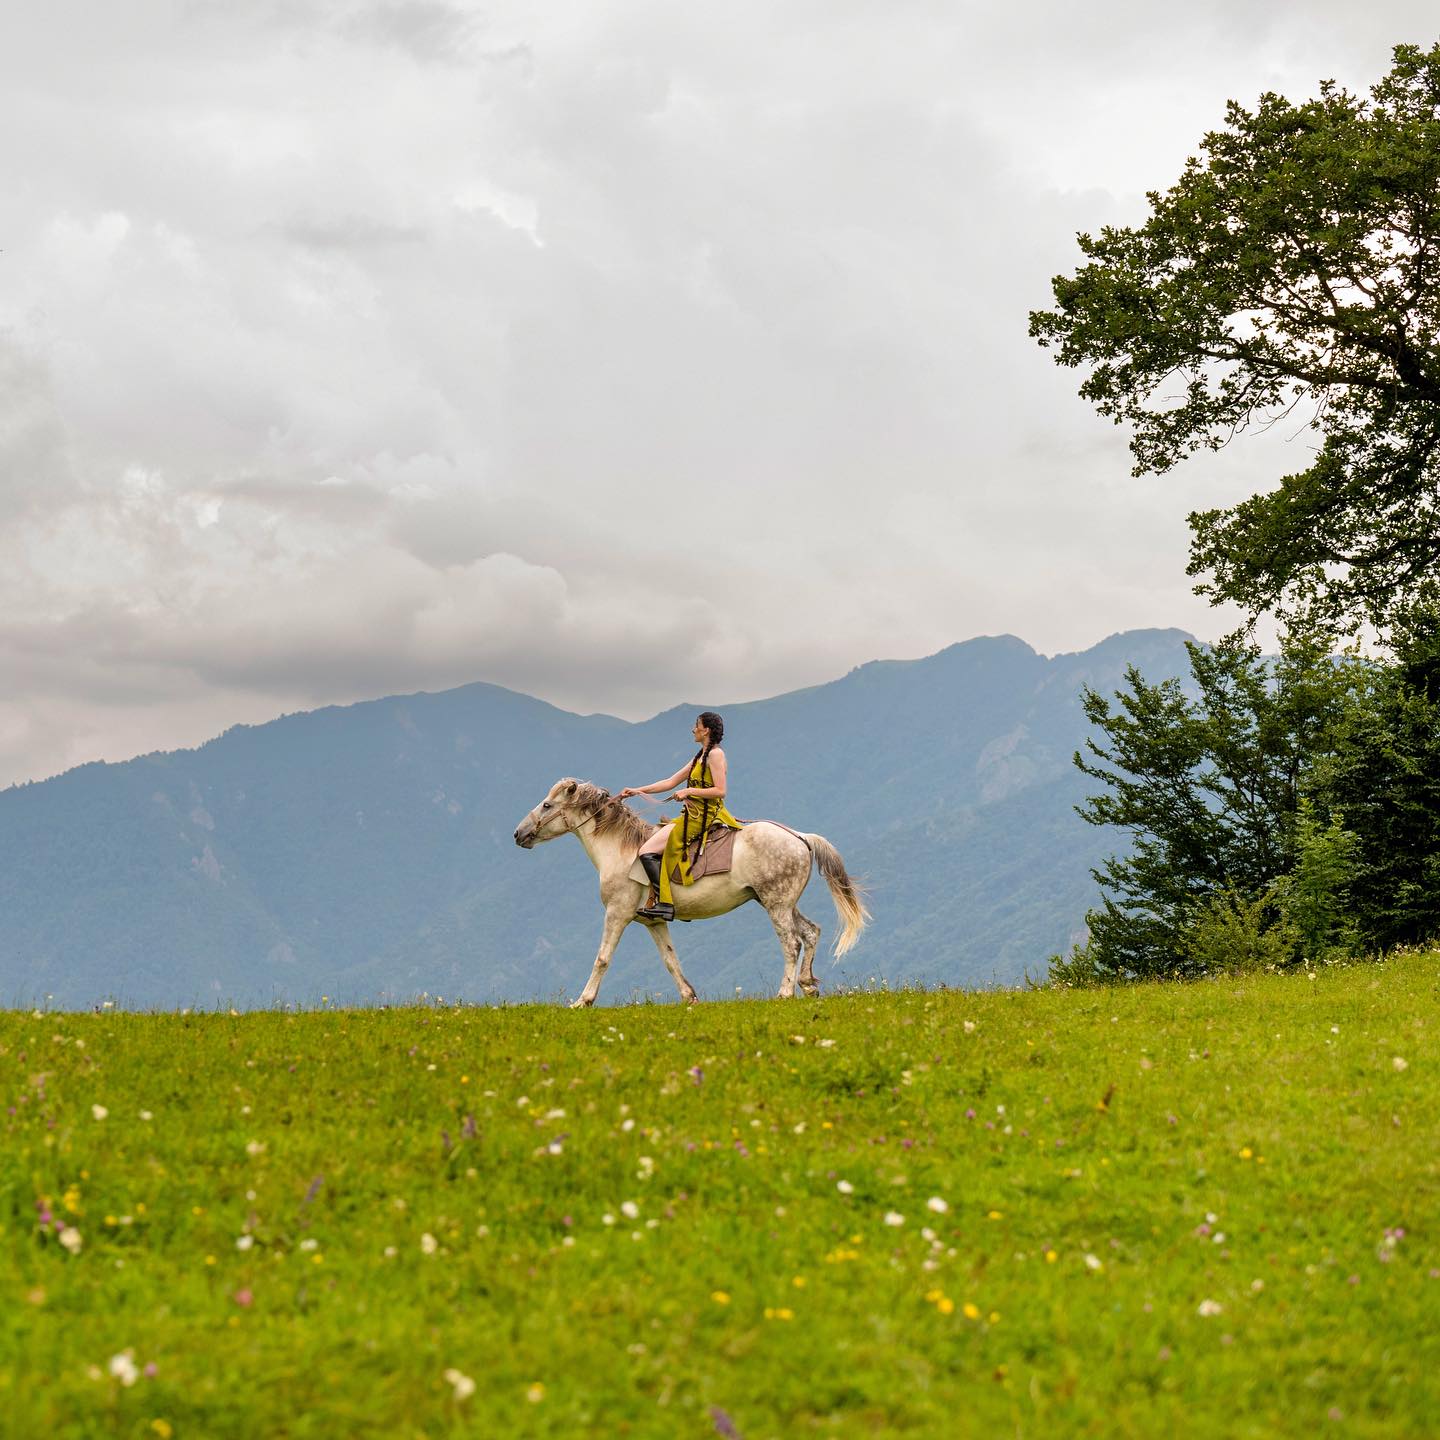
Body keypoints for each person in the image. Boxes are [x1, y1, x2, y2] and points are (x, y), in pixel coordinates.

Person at [617, 711, 743, 921]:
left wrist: (689, 791)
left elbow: (721, 790)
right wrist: (637, 790)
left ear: (706, 730)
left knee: (646, 851)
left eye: (697, 725)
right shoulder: (699, 757)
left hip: (703, 817)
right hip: (690, 815)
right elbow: (670, 782)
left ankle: (666, 904)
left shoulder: (715, 755)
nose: (693, 729)